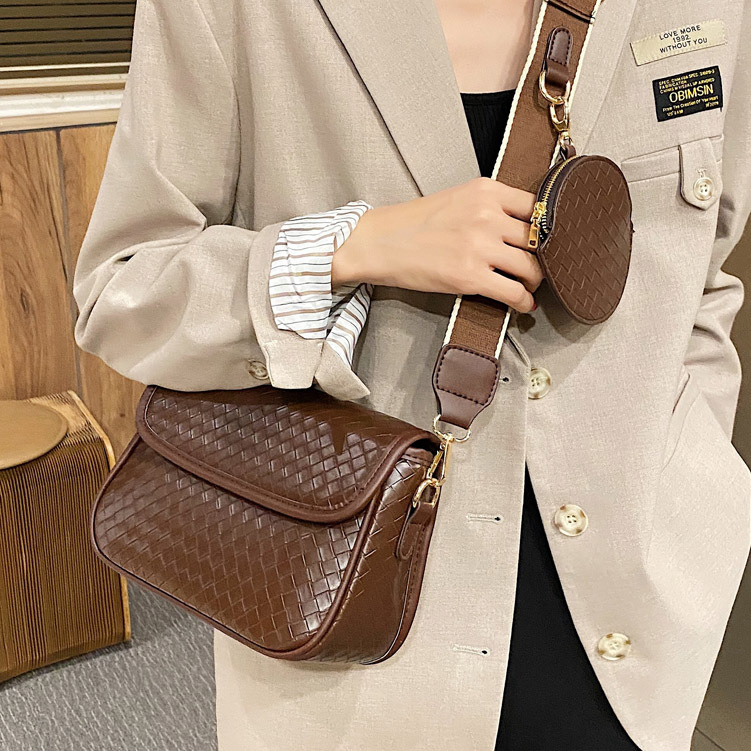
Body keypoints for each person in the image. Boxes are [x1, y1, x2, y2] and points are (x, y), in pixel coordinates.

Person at [72, 0, 751, 749]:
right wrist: (355, 244)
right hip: (355, 631)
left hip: (637, 631)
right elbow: (124, 295)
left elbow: (702, 275)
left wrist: (698, 476)